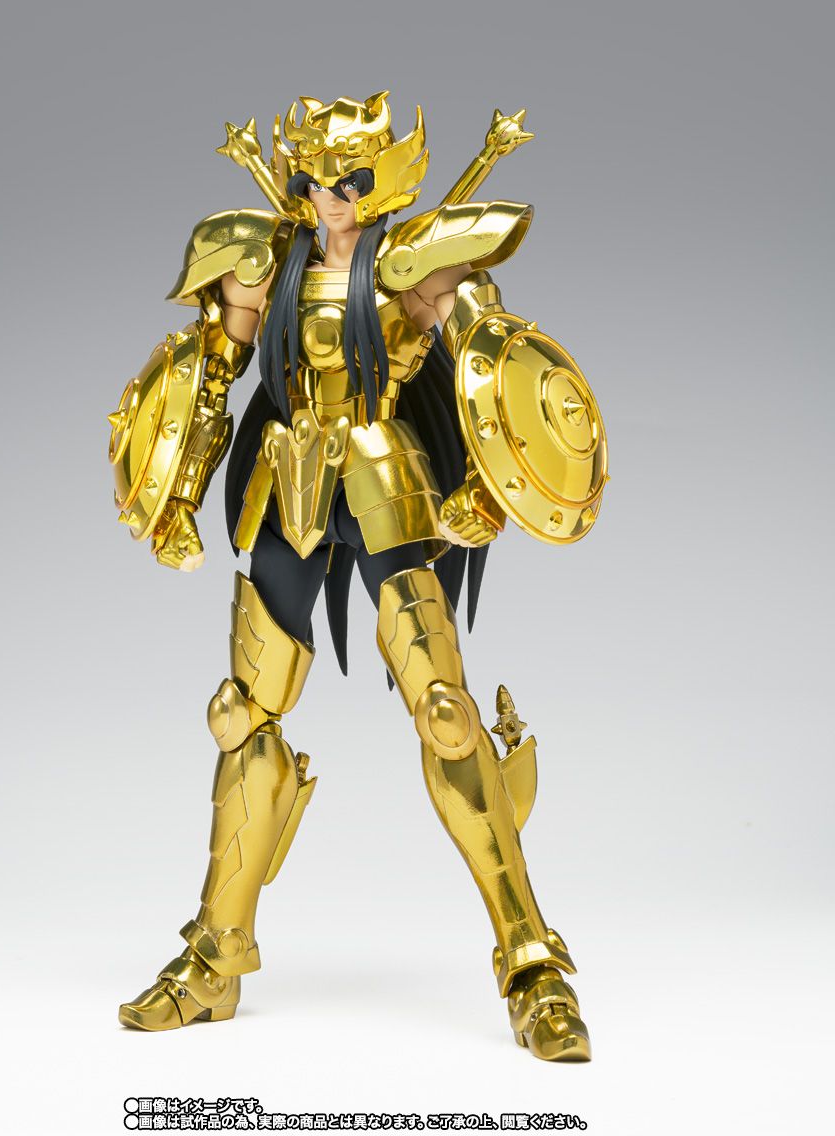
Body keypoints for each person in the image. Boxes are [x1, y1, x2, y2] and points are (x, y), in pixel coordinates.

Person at [108, 94, 607, 1061]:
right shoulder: (262, 257)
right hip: (287, 486)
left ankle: (530, 961)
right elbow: (212, 379)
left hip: (385, 483)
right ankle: (213, 958)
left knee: (447, 713)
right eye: (312, 179)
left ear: (382, 183)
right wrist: (176, 495)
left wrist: (487, 495)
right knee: (241, 714)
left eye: (348, 181)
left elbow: (489, 370)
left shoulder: (417, 263)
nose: (327, 197)